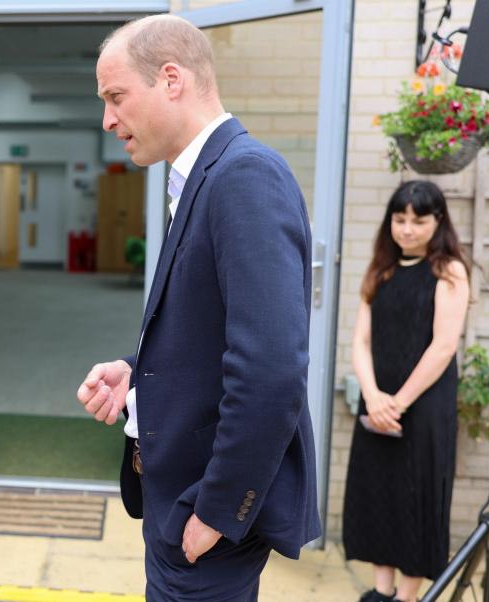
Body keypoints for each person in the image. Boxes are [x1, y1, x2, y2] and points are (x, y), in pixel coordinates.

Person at [77, 14, 321, 601]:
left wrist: (217, 512)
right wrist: (137, 373)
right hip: (178, 500)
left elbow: (271, 371)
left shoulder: (244, 177)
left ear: (171, 79)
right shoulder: (204, 176)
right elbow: (214, 332)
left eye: (116, 97)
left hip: (204, 512)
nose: (108, 119)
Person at [343, 180, 470, 602]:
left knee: (417, 496)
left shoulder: (448, 270)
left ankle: (409, 596)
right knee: (380, 492)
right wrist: (374, 396)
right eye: (400, 219)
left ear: (438, 222)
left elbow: (443, 346)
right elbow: (360, 341)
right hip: (378, 401)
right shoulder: (381, 268)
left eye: (419, 220)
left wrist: (396, 402)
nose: (407, 229)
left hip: (422, 407)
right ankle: (381, 591)